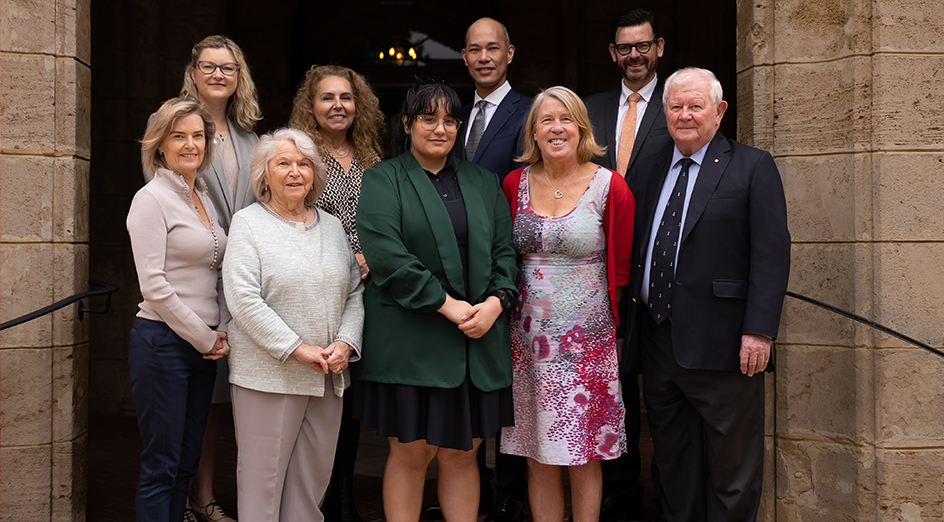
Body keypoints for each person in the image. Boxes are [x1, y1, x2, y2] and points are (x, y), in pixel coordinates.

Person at [628, 67, 790, 521]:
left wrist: (759, 331)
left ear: (718, 112)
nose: (684, 116)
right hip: (659, 341)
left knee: (732, 469)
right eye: (675, 107)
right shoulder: (649, 166)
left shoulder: (753, 166)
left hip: (726, 346)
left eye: (694, 106)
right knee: (673, 464)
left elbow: (771, 255)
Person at [354, 80, 518, 522]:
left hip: (477, 338)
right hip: (412, 340)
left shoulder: (484, 182)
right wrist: (447, 305)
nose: (440, 128)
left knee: (463, 455)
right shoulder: (382, 179)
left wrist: (497, 303)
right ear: (407, 124)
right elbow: (387, 256)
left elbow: (506, 251)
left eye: (449, 120)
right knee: (411, 454)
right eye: (429, 119)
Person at [499, 86, 635, 522]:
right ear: (533, 133)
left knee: (584, 454)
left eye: (566, 119)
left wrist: (608, 331)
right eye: (546, 120)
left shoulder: (610, 186)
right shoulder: (512, 184)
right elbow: (503, 258)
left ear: (581, 129)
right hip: (527, 346)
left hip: (587, 347)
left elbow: (620, 269)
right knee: (537, 453)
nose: (556, 128)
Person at [142, 35, 262, 522]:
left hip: (241, 286)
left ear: (240, 76)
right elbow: (160, 208)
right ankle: (199, 496)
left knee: (216, 402)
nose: (218, 75)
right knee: (180, 424)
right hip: (189, 291)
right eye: (209, 66)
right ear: (193, 71)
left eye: (228, 67)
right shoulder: (172, 128)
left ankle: (207, 492)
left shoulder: (252, 137)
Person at [222, 128, 364, 522]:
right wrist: (296, 348)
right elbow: (243, 299)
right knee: (262, 486)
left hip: (327, 376)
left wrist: (347, 343)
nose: (295, 171)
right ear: (264, 174)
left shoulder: (333, 227)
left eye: (304, 163)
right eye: (283, 163)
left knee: (310, 485)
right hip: (271, 376)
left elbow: (354, 292)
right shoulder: (248, 224)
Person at [583, 8, 673, 520]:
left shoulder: (678, 103)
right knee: (609, 382)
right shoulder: (590, 109)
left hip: (658, 268)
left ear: (659, 47)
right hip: (596, 270)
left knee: (658, 386)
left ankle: (666, 488)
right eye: (625, 48)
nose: (634, 55)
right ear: (612, 54)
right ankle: (619, 487)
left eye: (643, 46)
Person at [287, 64, 385, 522]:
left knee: (350, 404)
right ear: (311, 105)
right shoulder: (299, 156)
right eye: (327, 98)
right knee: (315, 404)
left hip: (367, 296)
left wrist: (372, 259)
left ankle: (342, 495)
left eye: (346, 97)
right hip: (317, 293)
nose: (338, 106)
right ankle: (310, 500)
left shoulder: (371, 158)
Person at [127, 98, 230, 522]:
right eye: (179, 136)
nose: (191, 144)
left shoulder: (201, 194)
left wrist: (220, 329)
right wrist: (206, 337)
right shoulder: (150, 199)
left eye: (198, 136)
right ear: (160, 144)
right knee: (162, 465)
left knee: (186, 462)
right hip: (163, 344)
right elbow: (154, 286)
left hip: (202, 347)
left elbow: (217, 273)